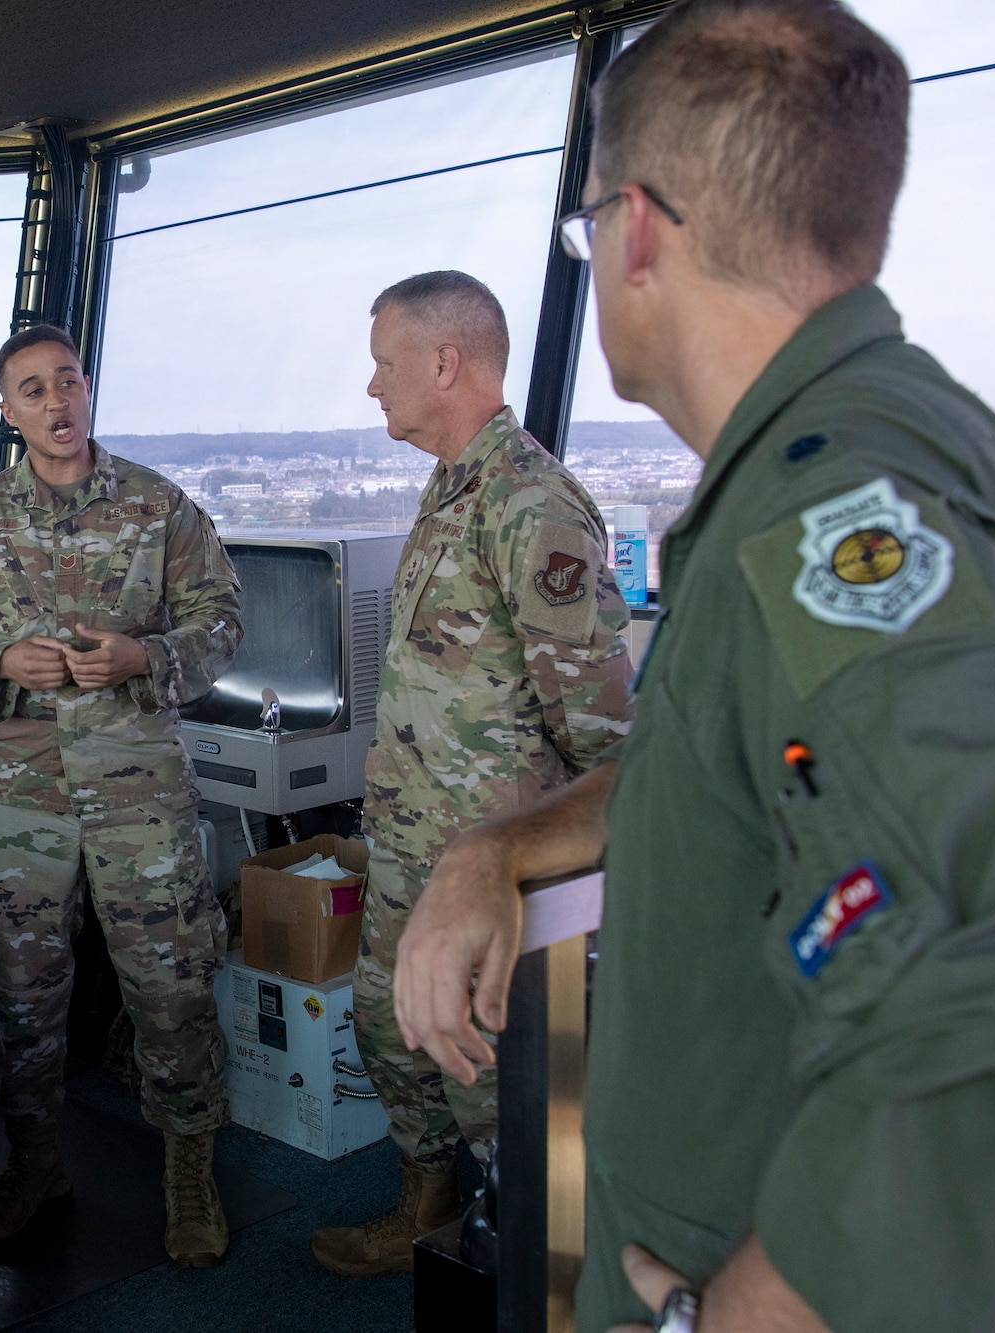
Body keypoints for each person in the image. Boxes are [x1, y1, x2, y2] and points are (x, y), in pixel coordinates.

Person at [390, 3, 995, 1330]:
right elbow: (736, 762)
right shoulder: (838, 469)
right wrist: (490, 851)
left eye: (588, 228)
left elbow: (978, 973)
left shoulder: (835, 519)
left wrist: (735, 1315)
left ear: (642, 227)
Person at [310, 273, 635, 1278]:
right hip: (416, 852)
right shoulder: (453, 483)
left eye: (382, 360)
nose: (371, 386)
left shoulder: (530, 503)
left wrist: (559, 881)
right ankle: (429, 1209)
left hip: (495, 872)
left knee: (493, 1084)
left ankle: (527, 1260)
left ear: (443, 362)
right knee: (385, 1026)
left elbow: (603, 736)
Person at [0, 324, 242, 1267]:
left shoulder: (157, 505)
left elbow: (220, 619)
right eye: (32, 390)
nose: (57, 403)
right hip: (23, 792)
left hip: (140, 785)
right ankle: (35, 1160)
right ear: (9, 412)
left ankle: (189, 1168)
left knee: (171, 981)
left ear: (88, 389)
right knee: (19, 986)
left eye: (69, 381)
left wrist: (149, 657)